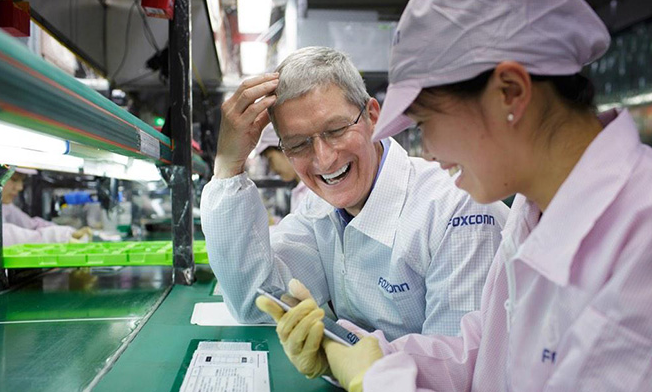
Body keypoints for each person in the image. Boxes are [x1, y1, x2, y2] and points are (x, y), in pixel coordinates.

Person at [257, 0, 652, 391]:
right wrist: (354, 351)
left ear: (510, 93)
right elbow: (483, 354)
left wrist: (378, 381)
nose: (427, 151)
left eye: (426, 121)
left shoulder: (641, 239)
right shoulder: (534, 212)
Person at [200, 45, 509, 373]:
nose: (324, 158)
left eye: (335, 130)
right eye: (298, 144)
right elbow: (257, 303)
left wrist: (345, 358)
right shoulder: (319, 210)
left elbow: (460, 371)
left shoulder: (455, 211)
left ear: (373, 117)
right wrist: (228, 166)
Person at [2, 168, 92, 246]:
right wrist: (58, 237)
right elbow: (7, 237)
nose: (20, 187)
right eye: (14, 179)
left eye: (22, 180)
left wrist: (70, 233)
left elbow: (32, 225)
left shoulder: (6, 206)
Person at [253, 123, 309, 213]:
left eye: (270, 160)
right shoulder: (300, 190)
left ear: (285, 149)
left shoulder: (312, 192)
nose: (272, 169)